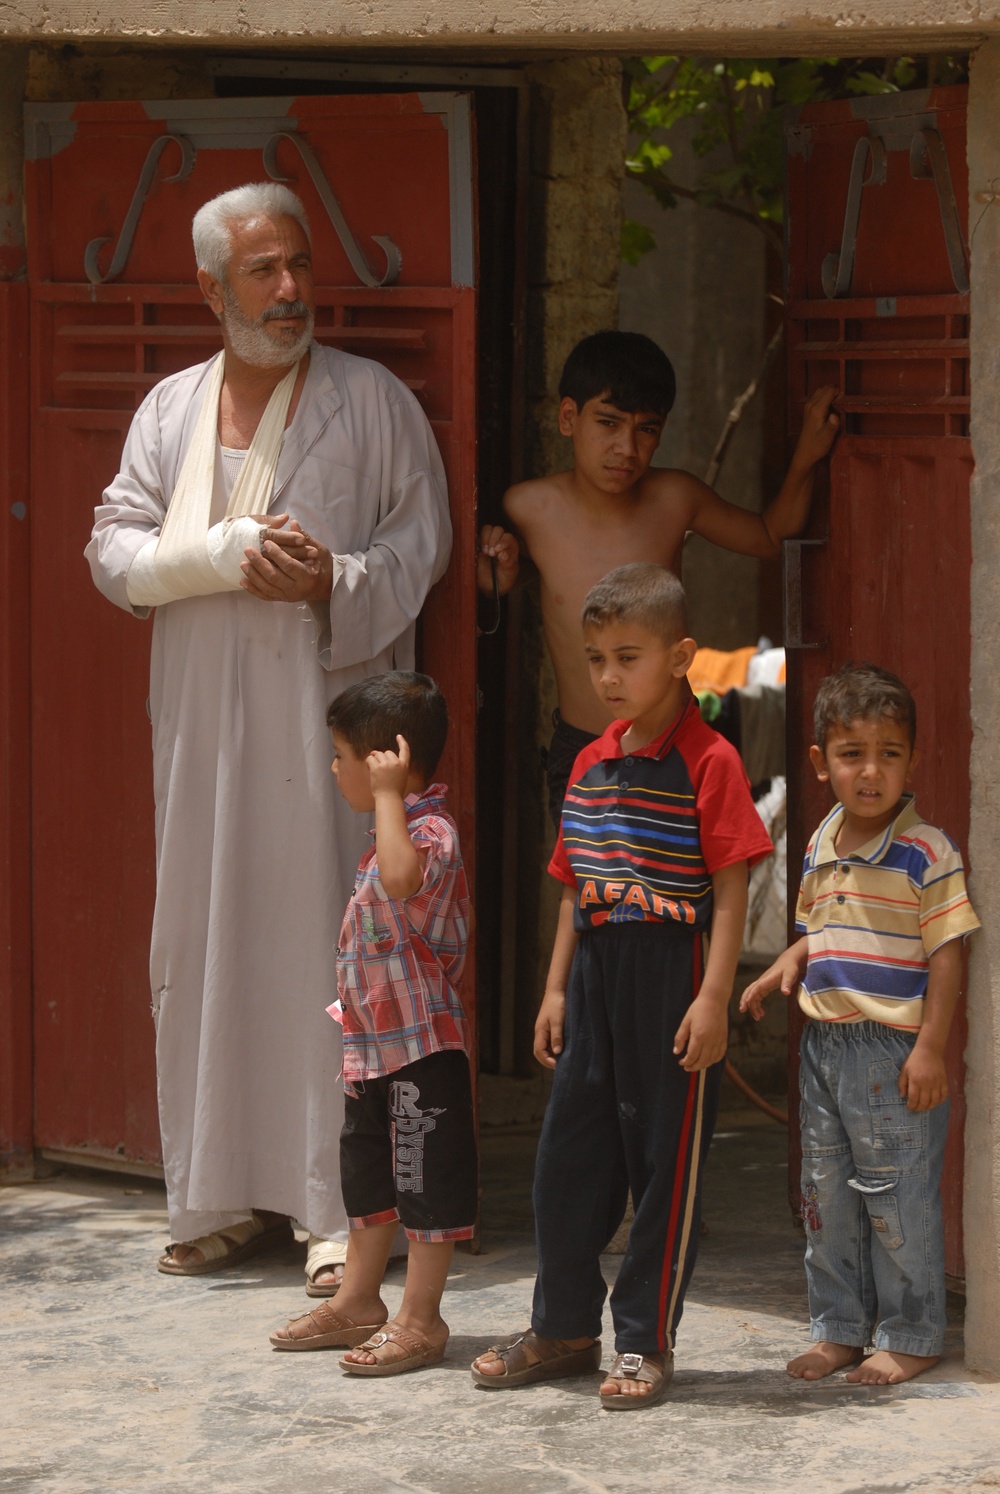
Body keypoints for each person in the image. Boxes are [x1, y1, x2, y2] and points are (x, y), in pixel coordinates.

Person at [85, 182, 452, 1291]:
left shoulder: (371, 400)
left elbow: (419, 538)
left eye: (298, 264)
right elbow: (113, 541)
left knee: (325, 942)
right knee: (199, 938)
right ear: (210, 288)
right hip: (200, 728)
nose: (291, 288)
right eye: (263, 271)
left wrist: (325, 582)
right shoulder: (168, 410)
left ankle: (340, 1204)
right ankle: (213, 1193)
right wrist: (205, 560)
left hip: (323, 726)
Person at [471, 564, 773, 1409]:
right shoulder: (590, 763)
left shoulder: (710, 761)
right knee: (568, 1159)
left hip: (672, 972)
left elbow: (732, 885)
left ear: (680, 657)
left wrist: (713, 997)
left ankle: (644, 1342)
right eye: (596, 657)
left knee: (664, 1168)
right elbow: (574, 884)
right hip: (599, 970)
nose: (607, 677)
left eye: (627, 657)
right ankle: (563, 1326)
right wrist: (555, 988)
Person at [740, 663, 980, 1386]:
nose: (871, 772)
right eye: (852, 755)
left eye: (889, 754)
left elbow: (946, 954)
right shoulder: (819, 842)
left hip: (890, 1050)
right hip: (822, 1046)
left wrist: (931, 1046)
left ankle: (911, 1331)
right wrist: (788, 960)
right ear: (821, 763)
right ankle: (838, 1327)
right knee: (826, 1194)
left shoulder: (926, 853)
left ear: (912, 757)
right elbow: (822, 925)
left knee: (897, 1196)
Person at [490, 329, 839, 824]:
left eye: (646, 430)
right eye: (608, 423)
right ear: (569, 417)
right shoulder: (528, 509)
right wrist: (498, 567)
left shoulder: (674, 499)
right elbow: (489, 583)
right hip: (585, 751)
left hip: (675, 745)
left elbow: (767, 535)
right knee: (592, 897)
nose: (626, 448)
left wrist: (806, 455)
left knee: (684, 895)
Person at [269, 672, 476, 1374]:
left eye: (342, 756)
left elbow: (399, 880)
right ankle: (359, 1299)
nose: (334, 770)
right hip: (371, 1051)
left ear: (385, 758)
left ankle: (422, 1316)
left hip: (422, 1052)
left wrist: (388, 796)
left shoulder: (430, 833)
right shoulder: (389, 832)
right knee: (369, 1179)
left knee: (424, 1183)